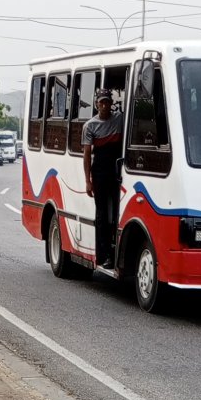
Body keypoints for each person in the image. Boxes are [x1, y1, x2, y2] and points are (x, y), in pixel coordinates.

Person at [82, 88, 123, 269]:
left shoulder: (119, 119)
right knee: (102, 216)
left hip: (117, 173)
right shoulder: (90, 126)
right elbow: (87, 154)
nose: (105, 105)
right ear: (96, 104)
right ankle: (104, 255)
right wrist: (88, 181)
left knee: (116, 214)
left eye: (107, 102)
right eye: (101, 102)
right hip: (99, 173)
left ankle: (116, 252)